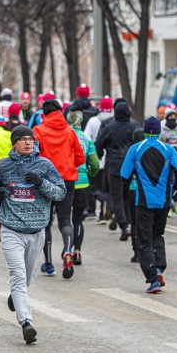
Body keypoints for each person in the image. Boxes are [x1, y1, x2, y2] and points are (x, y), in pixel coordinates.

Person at [0, 125, 65, 344]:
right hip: (11, 230)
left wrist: (41, 183)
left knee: (27, 277)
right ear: (14, 143)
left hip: (36, 231)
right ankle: (26, 323)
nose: (28, 142)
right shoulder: (3, 166)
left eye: (30, 139)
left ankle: (16, 296)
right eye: (22, 139)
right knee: (18, 275)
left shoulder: (44, 164)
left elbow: (61, 193)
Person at [122, 118, 177, 292]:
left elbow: (124, 176)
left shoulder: (135, 149)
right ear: (158, 131)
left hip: (143, 201)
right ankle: (159, 268)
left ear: (144, 132)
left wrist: (124, 196)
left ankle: (152, 278)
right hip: (164, 201)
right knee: (158, 235)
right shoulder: (168, 149)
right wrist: (174, 189)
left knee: (143, 239)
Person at [33, 100, 85, 278]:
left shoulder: (38, 131)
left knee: (45, 223)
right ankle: (67, 251)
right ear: (60, 112)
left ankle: (48, 263)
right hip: (67, 180)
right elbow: (80, 158)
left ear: (44, 113)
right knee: (65, 220)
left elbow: (33, 156)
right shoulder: (70, 132)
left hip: (45, 181)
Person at [95, 100, 139, 241]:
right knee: (127, 196)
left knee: (117, 197)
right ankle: (129, 223)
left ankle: (124, 225)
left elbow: (98, 144)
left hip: (114, 166)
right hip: (131, 166)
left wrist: (101, 154)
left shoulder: (110, 126)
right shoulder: (135, 125)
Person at [66, 109, 100, 265]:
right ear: (81, 121)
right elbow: (95, 164)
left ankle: (67, 250)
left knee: (64, 220)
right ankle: (77, 251)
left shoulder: (64, 136)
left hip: (65, 181)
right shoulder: (86, 139)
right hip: (82, 182)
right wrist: (89, 173)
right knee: (78, 219)